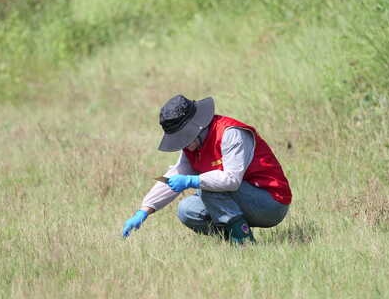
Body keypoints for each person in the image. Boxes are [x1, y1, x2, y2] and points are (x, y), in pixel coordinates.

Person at [122, 95, 292, 244]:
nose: (182, 144)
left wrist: (193, 181)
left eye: (182, 137)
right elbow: (176, 174)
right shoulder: (193, 146)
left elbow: (231, 180)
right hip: (241, 200)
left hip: (271, 203)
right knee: (187, 210)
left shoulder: (230, 133)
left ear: (196, 128)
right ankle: (234, 236)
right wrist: (144, 210)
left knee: (207, 187)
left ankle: (244, 243)